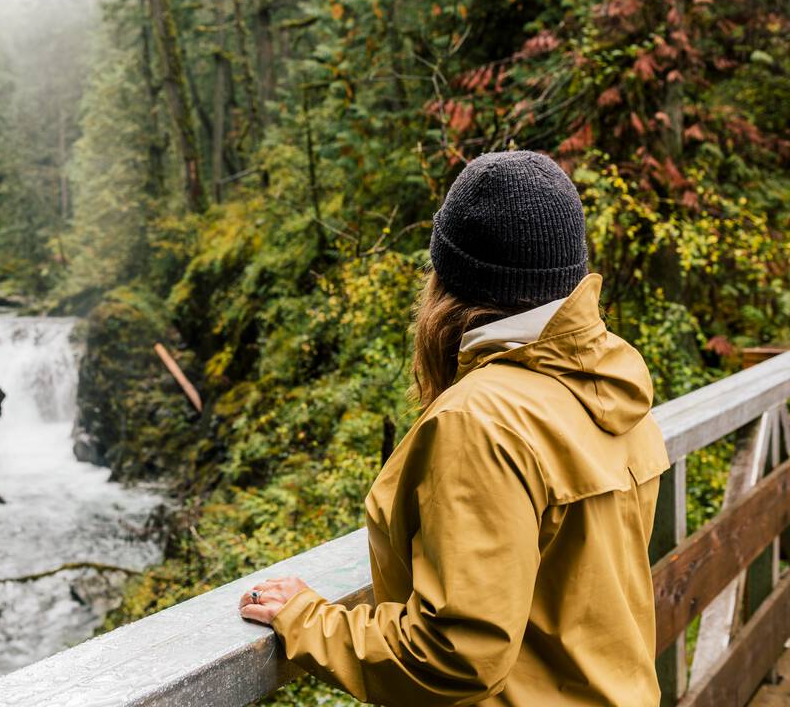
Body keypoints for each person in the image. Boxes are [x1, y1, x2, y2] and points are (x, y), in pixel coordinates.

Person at [238, 150, 669, 705]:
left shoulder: (480, 422)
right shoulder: (613, 381)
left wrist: (307, 620)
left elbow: (455, 654)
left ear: (449, 278)